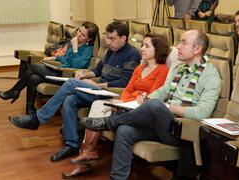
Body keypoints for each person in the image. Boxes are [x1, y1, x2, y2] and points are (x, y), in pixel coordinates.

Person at [81, 30, 222, 179]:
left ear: (197, 49)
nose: (178, 47)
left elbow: (203, 113)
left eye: (183, 43)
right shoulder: (180, 69)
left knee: (155, 105)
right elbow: (163, 91)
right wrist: (146, 98)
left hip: (183, 131)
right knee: (124, 130)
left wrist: (167, 107)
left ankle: (108, 122)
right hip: (162, 124)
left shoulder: (210, 76)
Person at [7, 21, 141, 163]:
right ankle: (72, 144)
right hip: (99, 90)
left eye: (112, 39)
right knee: (69, 100)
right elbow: (97, 70)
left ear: (123, 38)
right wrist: (85, 75)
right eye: (107, 38)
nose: (108, 42)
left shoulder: (132, 53)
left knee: (70, 83)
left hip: (112, 93)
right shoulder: (110, 51)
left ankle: (36, 119)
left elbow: (125, 82)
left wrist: (97, 84)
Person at [62, 33, 183, 179]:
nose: (142, 48)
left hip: (141, 109)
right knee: (98, 104)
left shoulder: (163, 70)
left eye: (146, 46)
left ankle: (86, 156)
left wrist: (132, 103)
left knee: (105, 113)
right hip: (127, 104)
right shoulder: (139, 69)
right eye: (142, 45)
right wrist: (121, 103)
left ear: (157, 50)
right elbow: (128, 89)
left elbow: (154, 95)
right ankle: (88, 152)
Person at [0, 21, 99, 114]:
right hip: (61, 71)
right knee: (33, 78)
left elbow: (76, 65)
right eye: (79, 31)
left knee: (34, 67)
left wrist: (75, 49)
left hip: (69, 78)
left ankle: (14, 92)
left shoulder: (88, 50)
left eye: (83, 35)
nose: (78, 35)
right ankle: (30, 110)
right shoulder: (73, 42)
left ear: (89, 39)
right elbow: (65, 58)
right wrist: (53, 58)